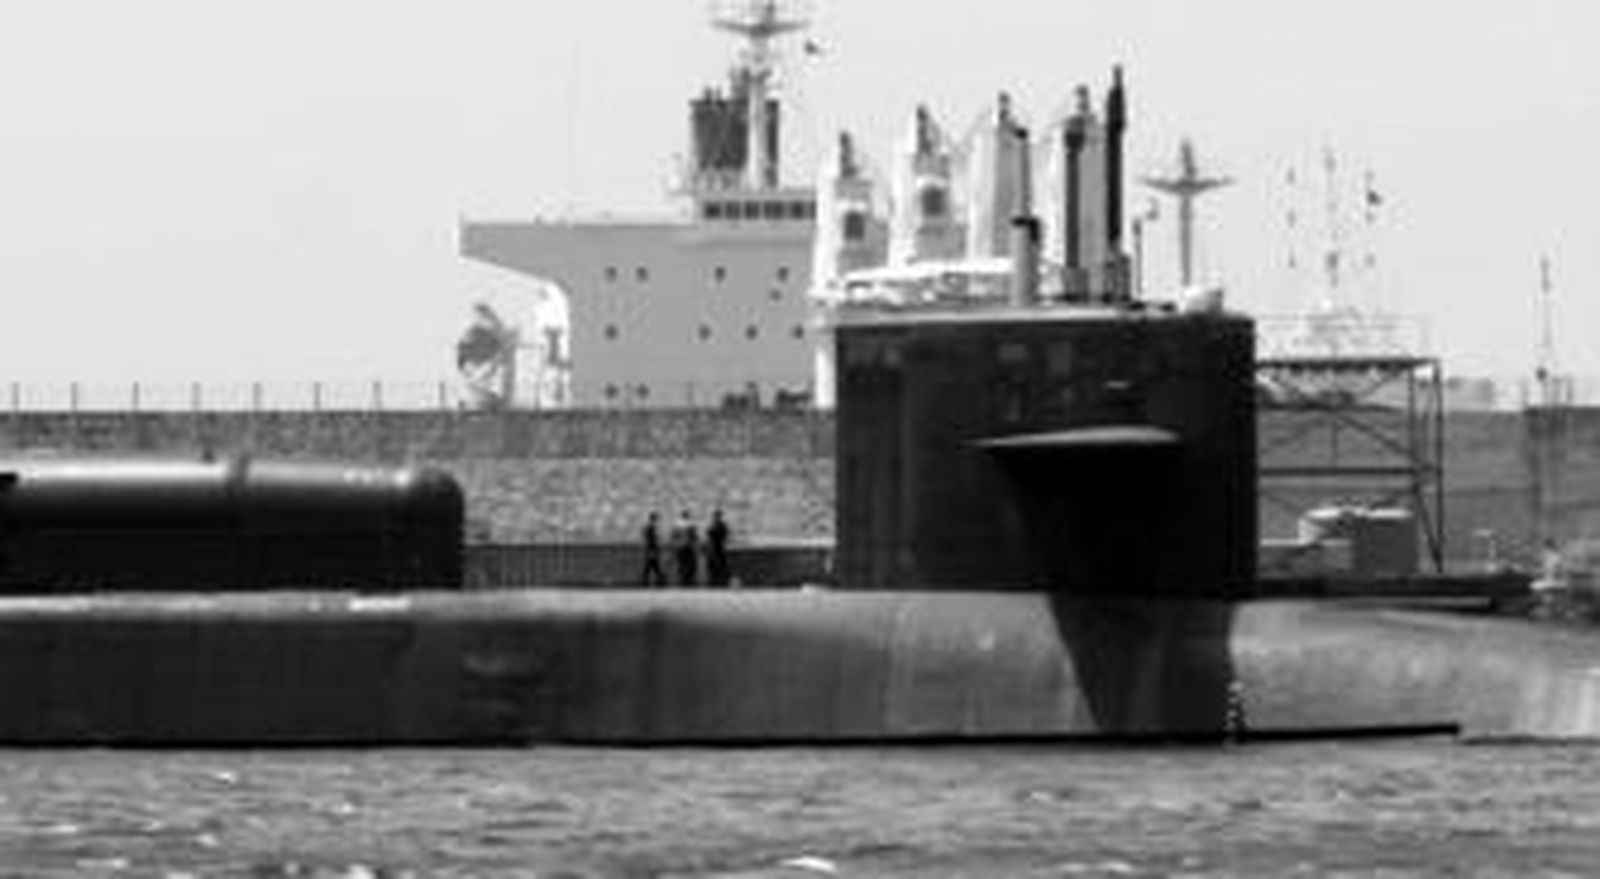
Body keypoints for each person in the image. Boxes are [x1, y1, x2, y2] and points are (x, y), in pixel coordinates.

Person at [672, 509, 700, 586]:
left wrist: (676, 544)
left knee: (682, 563)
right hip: (688, 546)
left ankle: (682, 580)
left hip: (679, 547)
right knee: (691, 564)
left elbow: (674, 536)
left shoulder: (677, 524)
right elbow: (694, 537)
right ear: (687, 516)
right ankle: (688, 580)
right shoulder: (690, 525)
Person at [706, 508, 731, 587]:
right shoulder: (715, 525)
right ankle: (715, 582)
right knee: (715, 566)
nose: (715, 517)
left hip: (717, 548)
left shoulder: (719, 525)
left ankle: (719, 582)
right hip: (714, 548)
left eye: (717, 516)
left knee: (719, 565)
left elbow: (722, 535)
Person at [639, 511, 665, 587]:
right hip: (652, 548)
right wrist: (657, 538)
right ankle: (655, 577)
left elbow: (647, 536)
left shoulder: (649, 526)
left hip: (650, 547)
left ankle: (648, 577)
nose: (657, 520)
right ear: (654, 518)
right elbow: (652, 538)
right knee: (652, 563)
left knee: (652, 564)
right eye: (656, 518)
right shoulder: (651, 527)